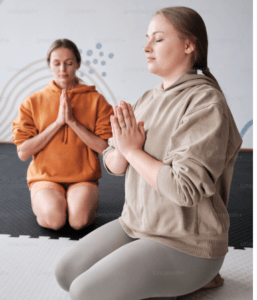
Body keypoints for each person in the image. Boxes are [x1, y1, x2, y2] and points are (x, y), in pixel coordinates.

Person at [54, 6, 242, 300]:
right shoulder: (147, 98)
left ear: (188, 45)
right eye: (147, 38)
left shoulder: (206, 103)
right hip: (135, 224)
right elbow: (113, 163)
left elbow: (184, 190)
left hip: (185, 243)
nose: (146, 47)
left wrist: (132, 150)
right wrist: (122, 150)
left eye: (157, 39)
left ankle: (197, 277)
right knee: (65, 273)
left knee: (83, 292)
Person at [12, 39, 114, 231]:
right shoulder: (32, 102)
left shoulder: (96, 101)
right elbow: (23, 153)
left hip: (83, 178)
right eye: (56, 63)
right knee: (55, 220)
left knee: (79, 222)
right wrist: (58, 123)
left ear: (77, 64)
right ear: (49, 64)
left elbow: (104, 148)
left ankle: (74, 201)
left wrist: (73, 122)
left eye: (68, 63)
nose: (62, 69)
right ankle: (51, 200)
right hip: (45, 177)